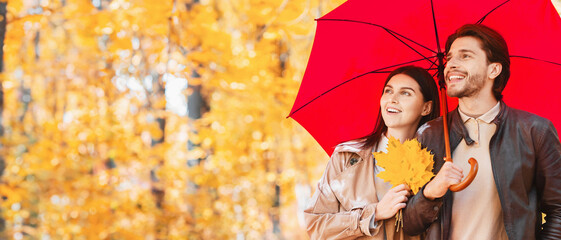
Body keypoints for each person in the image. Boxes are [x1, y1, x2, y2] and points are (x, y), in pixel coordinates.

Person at [402, 24, 561, 240]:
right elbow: (409, 226)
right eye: (449, 58)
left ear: (493, 70)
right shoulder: (429, 133)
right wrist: (430, 193)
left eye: (465, 56)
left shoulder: (535, 132)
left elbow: (558, 209)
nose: (451, 65)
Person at [304, 65, 440, 239]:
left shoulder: (436, 165)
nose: (392, 99)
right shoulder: (346, 157)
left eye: (405, 93)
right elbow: (315, 225)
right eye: (388, 91)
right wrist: (374, 213)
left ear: (426, 108)